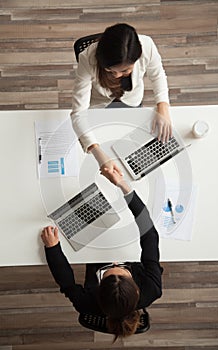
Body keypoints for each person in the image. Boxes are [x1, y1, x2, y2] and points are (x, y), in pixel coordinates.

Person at [41, 168, 163, 340]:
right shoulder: (152, 289)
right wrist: (123, 186)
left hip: (92, 247)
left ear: (98, 291)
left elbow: (67, 284)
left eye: (107, 273)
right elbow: (150, 234)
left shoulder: (87, 303)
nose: (114, 263)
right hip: (115, 238)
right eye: (120, 270)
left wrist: (52, 248)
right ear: (136, 290)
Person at [70, 23, 172, 178]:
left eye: (125, 71)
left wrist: (163, 108)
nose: (117, 76)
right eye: (110, 70)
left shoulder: (147, 46)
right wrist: (98, 153)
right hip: (100, 104)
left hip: (132, 100)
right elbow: (78, 113)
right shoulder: (87, 58)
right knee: (104, 139)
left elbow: (157, 75)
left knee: (131, 140)